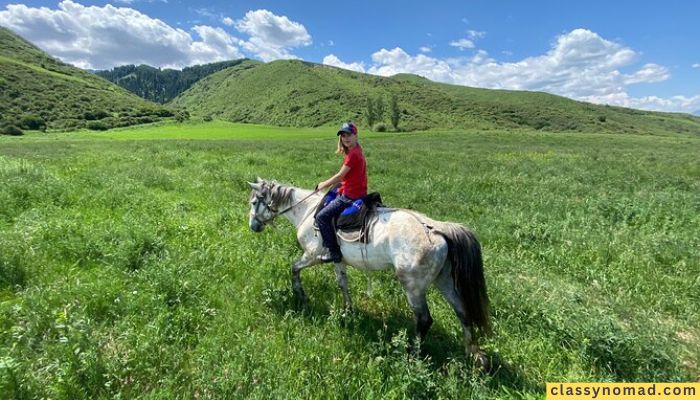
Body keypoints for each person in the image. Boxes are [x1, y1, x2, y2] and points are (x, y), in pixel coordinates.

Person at [315, 122, 367, 263]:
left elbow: (339, 176)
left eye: (349, 135)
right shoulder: (356, 150)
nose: (345, 138)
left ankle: (334, 252)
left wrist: (322, 185)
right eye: (343, 135)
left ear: (355, 135)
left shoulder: (353, 155)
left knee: (321, 216)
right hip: (356, 190)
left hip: (350, 196)